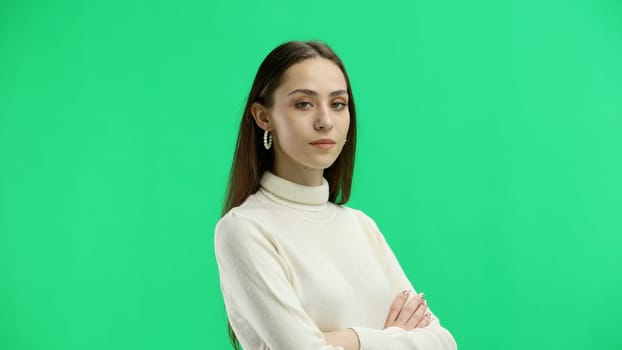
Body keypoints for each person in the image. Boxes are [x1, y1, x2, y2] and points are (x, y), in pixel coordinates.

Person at [214, 40, 457, 350]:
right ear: (264, 117)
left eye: (338, 104)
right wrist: (389, 337)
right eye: (304, 103)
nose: (325, 121)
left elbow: (443, 342)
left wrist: (340, 340)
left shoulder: (361, 226)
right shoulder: (244, 230)